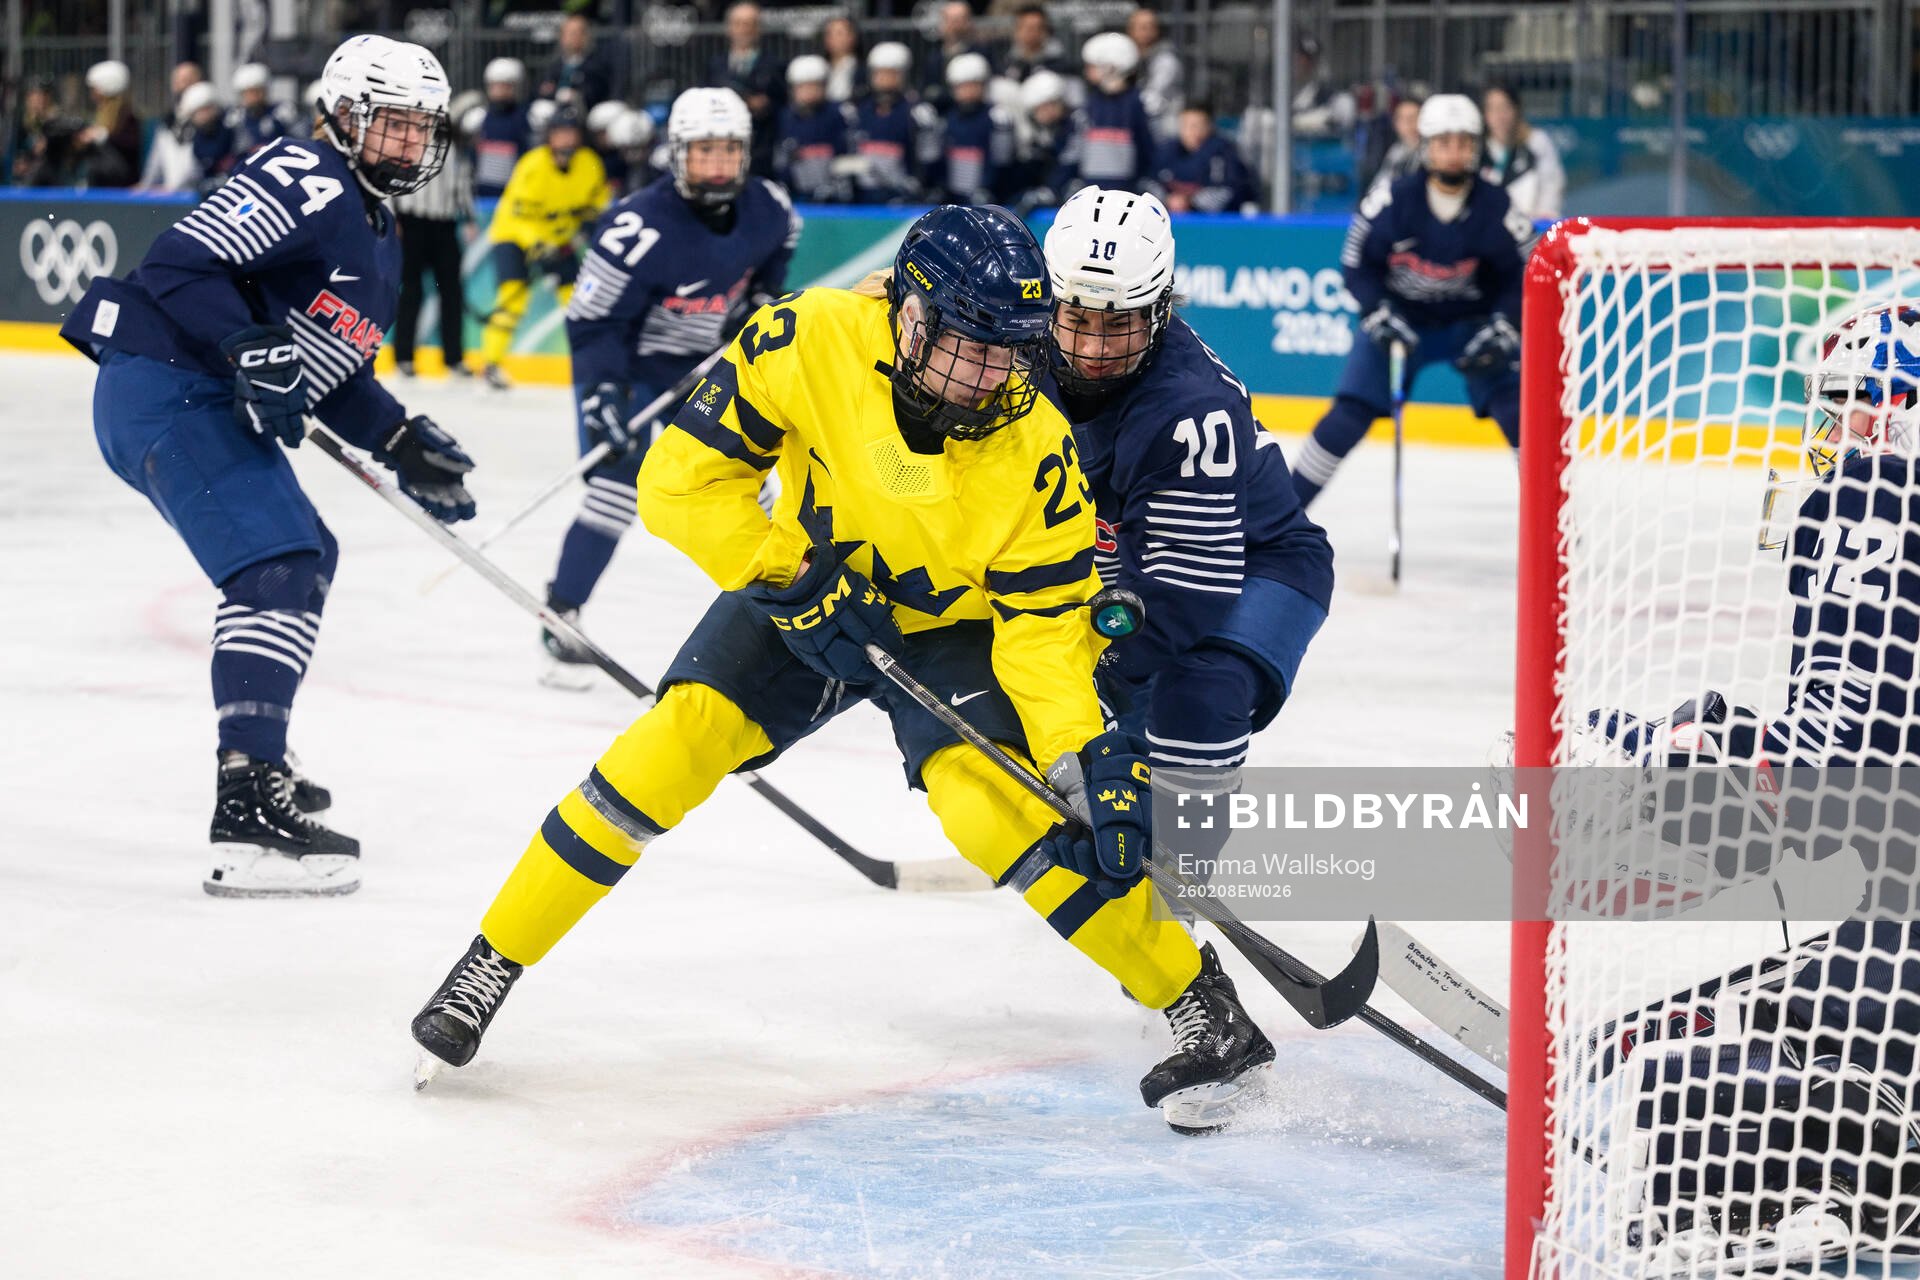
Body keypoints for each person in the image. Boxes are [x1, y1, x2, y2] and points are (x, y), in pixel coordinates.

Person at [411, 203, 1278, 1134]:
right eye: (968, 345)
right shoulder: (809, 336)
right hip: (799, 579)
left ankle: (1204, 1006)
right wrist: (788, 575)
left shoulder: (1040, 453)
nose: (990, 376)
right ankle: (492, 960)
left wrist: (1084, 752)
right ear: (908, 314)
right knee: (668, 747)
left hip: (951, 631)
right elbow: (679, 483)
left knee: (996, 811)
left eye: (1012, 351)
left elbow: (1041, 633)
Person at [57, 35, 475, 898]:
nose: (409, 145)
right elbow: (179, 263)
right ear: (345, 115)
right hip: (165, 382)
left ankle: (262, 759)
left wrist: (398, 440)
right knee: (274, 563)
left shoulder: (377, 226)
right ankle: (244, 809)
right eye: (392, 125)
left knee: (304, 555)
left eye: (419, 129)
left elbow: (331, 370)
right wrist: (248, 345)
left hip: (191, 387)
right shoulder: (307, 175)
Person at [1044, 185, 1333, 885]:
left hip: (1258, 564)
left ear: (1161, 307)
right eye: (1077, 318)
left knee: (1192, 695)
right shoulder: (1022, 337)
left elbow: (1185, 592)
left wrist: (1086, 673)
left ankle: (1183, 873)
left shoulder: (1188, 407)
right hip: (1128, 551)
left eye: (1119, 326)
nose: (1092, 348)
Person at [540, 87, 799, 680]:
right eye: (703, 151)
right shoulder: (636, 225)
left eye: (728, 152)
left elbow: (775, 259)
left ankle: (786, 615)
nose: (716, 165)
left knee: (749, 485)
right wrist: (603, 389)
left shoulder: (770, 207)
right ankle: (561, 615)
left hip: (706, 366)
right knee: (613, 491)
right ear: (677, 154)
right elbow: (592, 319)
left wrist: (757, 299)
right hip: (628, 370)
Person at [1291, 94, 1531, 507]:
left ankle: (1555, 530)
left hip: (1473, 325)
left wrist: (1507, 324)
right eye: (1443, 143)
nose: (1454, 153)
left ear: (1476, 147)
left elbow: (1527, 273)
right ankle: (1278, 519)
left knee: (1520, 417)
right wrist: (1375, 310)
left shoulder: (1498, 206)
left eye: (1463, 143)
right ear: (1424, 147)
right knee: (1347, 416)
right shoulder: (1392, 200)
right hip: (1399, 321)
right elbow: (1355, 264)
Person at [477, 107, 609, 391]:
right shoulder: (532, 165)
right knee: (512, 301)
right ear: (549, 136)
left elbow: (598, 203)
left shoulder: (590, 163)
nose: (565, 140)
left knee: (577, 301)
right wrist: (536, 244)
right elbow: (516, 214)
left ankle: (587, 363)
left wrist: (586, 227)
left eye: (571, 133)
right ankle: (491, 364)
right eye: (559, 133)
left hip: (560, 242)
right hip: (514, 237)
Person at [392, 111, 475, 379]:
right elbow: (392, 182)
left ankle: (454, 358)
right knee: (411, 293)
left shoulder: (454, 146)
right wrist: (393, 218)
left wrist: (470, 217)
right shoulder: (407, 142)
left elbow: (461, 183)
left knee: (451, 293)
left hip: (445, 225)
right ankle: (403, 356)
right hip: (413, 224)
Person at [1061, 32, 1156, 197]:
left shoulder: (1139, 103)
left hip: (1128, 192)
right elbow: (1074, 149)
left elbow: (1148, 151)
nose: (1086, 71)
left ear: (1111, 66)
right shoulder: (1089, 104)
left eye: (1092, 65)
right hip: (1090, 191)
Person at [705, 2, 784, 178]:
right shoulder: (715, 65)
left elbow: (782, 104)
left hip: (760, 150)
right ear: (729, 28)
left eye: (749, 24)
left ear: (758, 29)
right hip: (721, 148)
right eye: (738, 23)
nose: (743, 30)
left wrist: (765, 105)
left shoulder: (774, 64)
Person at [848, 42, 933, 205]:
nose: (884, 79)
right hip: (863, 196)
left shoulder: (918, 112)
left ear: (903, 75)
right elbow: (851, 149)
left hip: (901, 197)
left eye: (891, 73)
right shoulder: (858, 110)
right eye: (879, 73)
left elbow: (928, 157)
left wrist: (919, 182)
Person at [933, 53, 1011, 206]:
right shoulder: (947, 119)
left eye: (973, 85)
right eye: (962, 86)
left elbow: (1002, 161)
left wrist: (988, 188)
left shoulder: (997, 117)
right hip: (953, 196)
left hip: (989, 197)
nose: (968, 92)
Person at [773, 55, 851, 204]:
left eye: (815, 85)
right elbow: (781, 159)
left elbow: (846, 153)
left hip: (834, 197)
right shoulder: (785, 117)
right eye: (802, 86)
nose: (809, 91)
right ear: (793, 89)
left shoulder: (838, 115)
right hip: (798, 196)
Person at [1480, 84, 1564, 222]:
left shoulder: (1536, 142)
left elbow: (1552, 186)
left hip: (1531, 231)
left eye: (1505, 107)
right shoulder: (1477, 150)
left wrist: (1540, 219)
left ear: (1516, 110)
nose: (1499, 116)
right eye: (1493, 109)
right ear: (1485, 114)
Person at [1153, 104, 1256, 214]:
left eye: (1197, 125)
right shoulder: (1166, 150)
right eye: (1187, 125)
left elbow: (1228, 191)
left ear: (1209, 126)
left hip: (1213, 224)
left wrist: (1189, 202)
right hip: (1167, 219)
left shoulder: (1223, 152)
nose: (1192, 131)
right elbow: (1149, 183)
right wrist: (1167, 200)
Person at [139, 81, 236, 194]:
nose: (205, 115)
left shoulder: (228, 133)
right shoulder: (188, 139)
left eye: (208, 108)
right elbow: (181, 178)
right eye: (200, 111)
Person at [1007, 69, 1073, 213]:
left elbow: (1067, 165)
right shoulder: (1042, 136)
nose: (1040, 113)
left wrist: (1050, 191)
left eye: (1044, 107)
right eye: (1037, 109)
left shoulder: (1073, 129)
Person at [73, 60, 142, 189]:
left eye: (94, 88)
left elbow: (130, 143)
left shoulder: (125, 114)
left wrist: (100, 136)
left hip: (122, 178)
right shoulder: (102, 112)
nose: (92, 93)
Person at [473, 58, 531, 199]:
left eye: (504, 86)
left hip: (513, 192)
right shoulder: (480, 117)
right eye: (494, 86)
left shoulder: (524, 117)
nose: (498, 91)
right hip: (484, 193)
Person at [539, 13, 618, 116]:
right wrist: (554, 93)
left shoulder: (596, 64)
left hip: (586, 110)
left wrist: (577, 95)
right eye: (569, 33)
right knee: (540, 109)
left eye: (578, 32)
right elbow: (542, 88)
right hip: (556, 107)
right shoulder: (555, 65)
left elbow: (597, 91)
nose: (573, 37)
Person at [1126, 7, 1183, 137]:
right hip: (1135, 127)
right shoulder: (1128, 58)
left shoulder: (1166, 60)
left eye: (1151, 26)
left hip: (1162, 128)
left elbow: (1152, 99)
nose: (1147, 31)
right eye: (1142, 27)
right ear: (1131, 30)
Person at [917, 0, 983, 110]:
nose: (955, 26)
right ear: (942, 24)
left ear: (969, 22)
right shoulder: (933, 59)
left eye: (960, 20)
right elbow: (926, 90)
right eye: (950, 20)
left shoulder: (980, 54)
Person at [229, 62, 301, 159]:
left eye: (257, 91)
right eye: (248, 92)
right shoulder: (235, 118)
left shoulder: (282, 112)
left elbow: (299, 141)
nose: (253, 97)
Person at [1359, 94, 1423, 194]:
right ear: (1396, 124)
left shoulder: (1432, 153)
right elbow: (1379, 187)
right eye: (1403, 119)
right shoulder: (1396, 152)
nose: (1409, 124)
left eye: (1414, 118)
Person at [999, 5, 1070, 85]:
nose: (1033, 33)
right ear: (1016, 30)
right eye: (1028, 28)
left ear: (1046, 31)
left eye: (1038, 28)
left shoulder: (1059, 65)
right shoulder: (1001, 61)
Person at [819, 13, 865, 105]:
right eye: (829, 34)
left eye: (839, 33)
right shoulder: (820, 68)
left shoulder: (862, 70)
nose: (833, 38)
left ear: (852, 37)